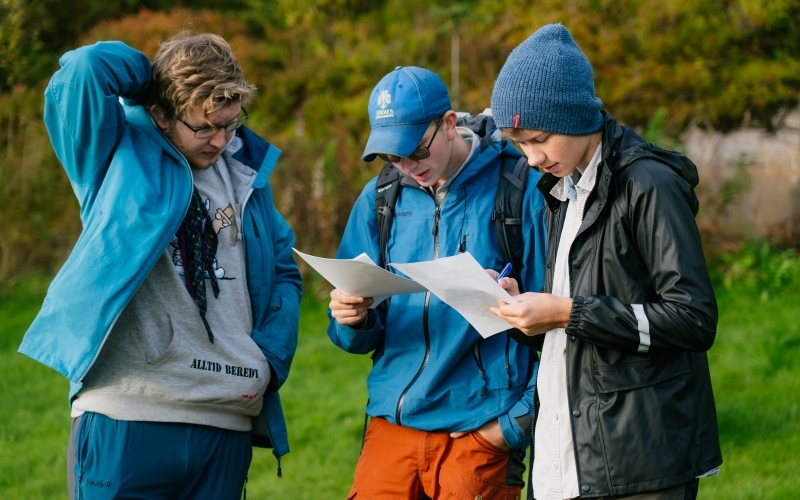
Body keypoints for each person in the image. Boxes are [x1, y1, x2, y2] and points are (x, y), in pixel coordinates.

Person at [18, 31, 302, 499]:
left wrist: (267, 362)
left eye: (230, 123)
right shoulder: (114, 154)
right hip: (127, 414)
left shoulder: (246, 173)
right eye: (204, 126)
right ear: (162, 114)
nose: (220, 139)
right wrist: (154, 80)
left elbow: (284, 273)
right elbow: (86, 69)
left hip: (224, 418)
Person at [488, 24, 722, 500]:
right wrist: (523, 309)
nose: (531, 158)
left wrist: (567, 312)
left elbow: (694, 319)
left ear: (575, 116)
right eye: (519, 144)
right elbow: (580, 315)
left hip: (638, 463)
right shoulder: (561, 189)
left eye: (539, 139)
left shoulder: (649, 184)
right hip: (562, 455)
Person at [327, 66, 548, 499]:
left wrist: (512, 426)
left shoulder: (521, 187)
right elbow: (352, 339)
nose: (408, 167)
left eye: (416, 150)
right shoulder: (379, 200)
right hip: (393, 424)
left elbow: (561, 317)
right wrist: (351, 318)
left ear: (448, 123)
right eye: (394, 157)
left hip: (480, 430)